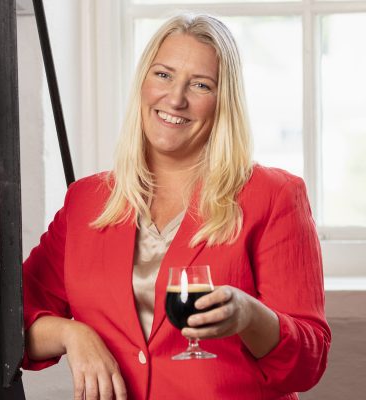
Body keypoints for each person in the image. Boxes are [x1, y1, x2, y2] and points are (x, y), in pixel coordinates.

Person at [22, 12, 331, 400]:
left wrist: (249, 316)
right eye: (163, 75)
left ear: (223, 102)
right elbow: (10, 322)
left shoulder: (274, 196)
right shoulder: (87, 201)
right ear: (143, 82)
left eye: (201, 85)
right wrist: (72, 334)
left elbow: (308, 362)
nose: (176, 98)